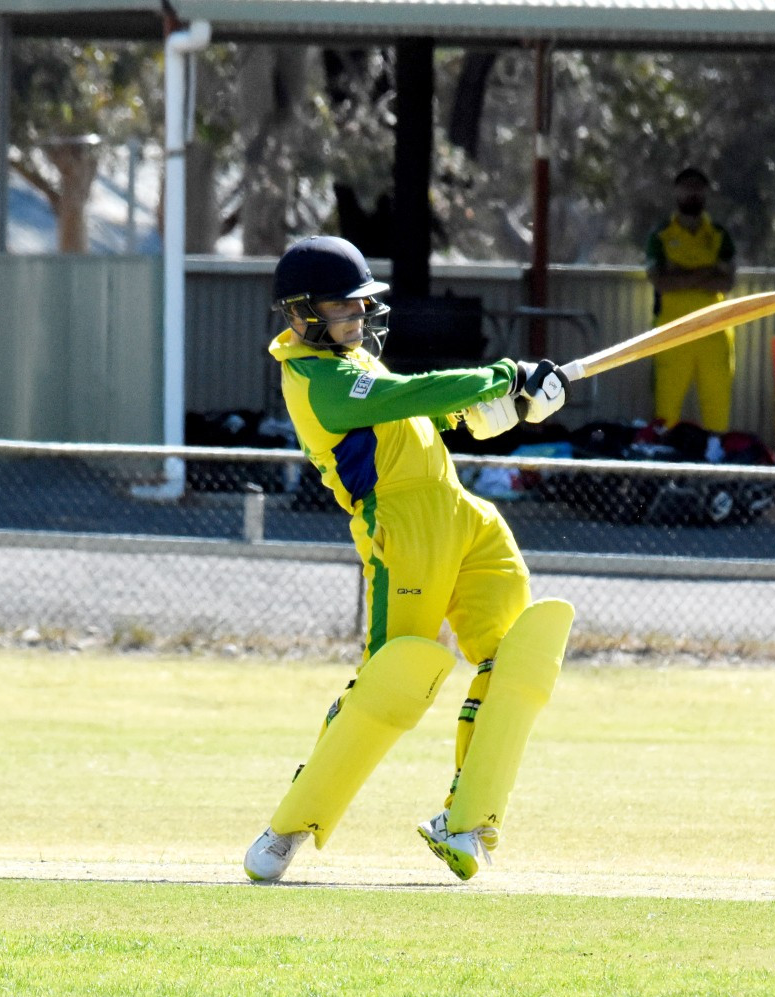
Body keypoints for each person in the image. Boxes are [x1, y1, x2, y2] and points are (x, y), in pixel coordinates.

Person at [243, 236, 574, 885]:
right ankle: (288, 827)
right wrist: (503, 375)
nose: (359, 320)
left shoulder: (355, 359)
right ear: (302, 314)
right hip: (399, 527)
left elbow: (442, 415)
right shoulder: (315, 380)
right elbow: (407, 399)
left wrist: (520, 404)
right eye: (345, 309)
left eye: (362, 307)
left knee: (514, 656)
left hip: (460, 512)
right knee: (391, 683)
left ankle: (468, 819)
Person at [645, 166, 737, 433]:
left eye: (698, 187)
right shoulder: (661, 235)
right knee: (666, 411)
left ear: (706, 192)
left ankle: (717, 465)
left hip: (714, 331)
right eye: (687, 187)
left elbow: (727, 281)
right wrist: (707, 273)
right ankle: (665, 466)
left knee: (717, 409)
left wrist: (680, 274)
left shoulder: (719, 235)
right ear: (676, 191)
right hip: (672, 331)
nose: (692, 192)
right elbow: (660, 281)